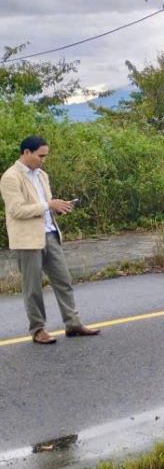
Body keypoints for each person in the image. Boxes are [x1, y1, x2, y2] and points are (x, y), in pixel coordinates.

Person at [0, 136, 100, 344]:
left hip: (50, 233)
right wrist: (49, 205)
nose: (43, 160)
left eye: (45, 156)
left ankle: (73, 323)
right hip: (28, 240)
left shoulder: (42, 175)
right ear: (26, 153)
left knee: (63, 280)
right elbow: (16, 210)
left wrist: (59, 207)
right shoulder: (11, 177)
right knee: (33, 287)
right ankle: (38, 329)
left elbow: (46, 204)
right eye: (40, 155)